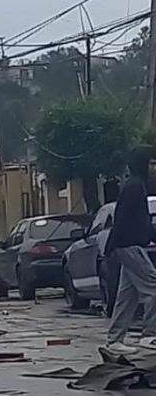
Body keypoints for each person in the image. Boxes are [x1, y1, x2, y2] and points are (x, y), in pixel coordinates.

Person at [104, 147, 156, 354]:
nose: (154, 168)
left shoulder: (136, 186)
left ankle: (114, 340)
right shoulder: (135, 187)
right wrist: (113, 244)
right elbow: (123, 219)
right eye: (151, 163)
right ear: (142, 164)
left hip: (128, 245)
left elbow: (140, 222)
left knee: (128, 295)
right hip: (129, 246)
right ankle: (150, 334)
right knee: (153, 287)